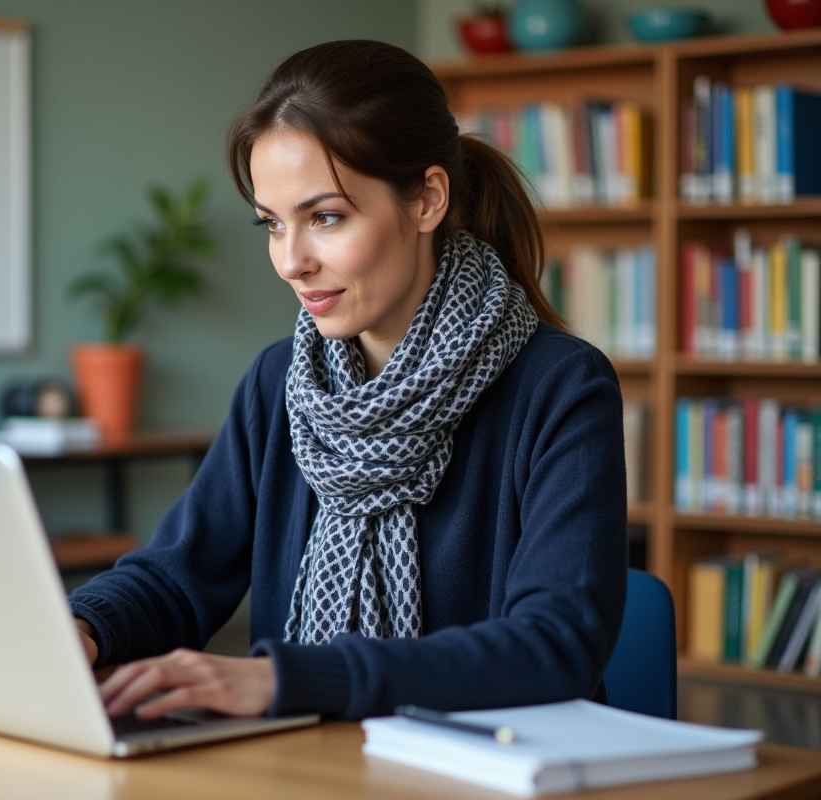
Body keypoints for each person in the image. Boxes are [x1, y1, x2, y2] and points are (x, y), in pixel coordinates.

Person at [68, 39, 628, 723]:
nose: (291, 261)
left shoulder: (562, 387)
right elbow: (174, 576)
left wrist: (287, 680)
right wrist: (81, 629)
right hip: (311, 763)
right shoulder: (280, 381)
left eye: (325, 218)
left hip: (492, 767)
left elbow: (556, 647)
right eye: (273, 225)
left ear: (426, 200)